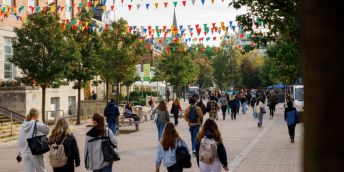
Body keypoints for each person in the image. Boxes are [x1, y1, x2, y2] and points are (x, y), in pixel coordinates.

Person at [17, 108, 50, 172]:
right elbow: (48, 130)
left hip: (25, 152)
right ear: (36, 115)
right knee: (41, 170)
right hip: (36, 151)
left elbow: (20, 140)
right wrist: (40, 122)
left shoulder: (23, 125)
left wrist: (19, 154)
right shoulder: (37, 124)